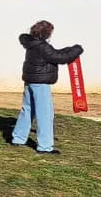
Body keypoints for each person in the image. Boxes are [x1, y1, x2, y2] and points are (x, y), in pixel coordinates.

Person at [12, 20, 83, 155]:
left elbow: (55, 53)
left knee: (27, 110)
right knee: (45, 114)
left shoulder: (32, 44)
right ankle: (45, 146)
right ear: (46, 33)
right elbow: (60, 57)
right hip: (41, 83)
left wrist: (69, 49)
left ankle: (18, 138)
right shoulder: (43, 47)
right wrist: (77, 49)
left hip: (30, 81)